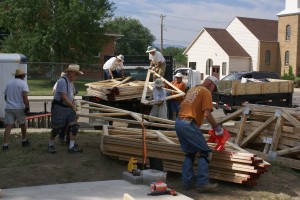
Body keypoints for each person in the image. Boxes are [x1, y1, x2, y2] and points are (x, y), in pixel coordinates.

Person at [175, 76, 224, 192]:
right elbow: (207, 114)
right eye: (214, 89)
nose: (213, 91)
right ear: (212, 85)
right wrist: (216, 127)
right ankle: (202, 184)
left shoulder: (193, 89)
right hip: (188, 124)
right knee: (205, 153)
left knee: (190, 153)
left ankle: (187, 183)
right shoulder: (206, 91)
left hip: (179, 122)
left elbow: (184, 106)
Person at [48, 64, 83, 153]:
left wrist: (73, 104)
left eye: (77, 74)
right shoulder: (62, 81)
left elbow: (71, 96)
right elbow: (63, 97)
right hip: (59, 108)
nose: (77, 76)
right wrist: (73, 106)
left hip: (69, 107)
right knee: (56, 129)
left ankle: (71, 147)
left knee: (74, 127)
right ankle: (50, 145)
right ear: (70, 73)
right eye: (76, 74)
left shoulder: (71, 82)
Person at [2, 68, 30, 151]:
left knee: (8, 126)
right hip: (19, 107)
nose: (24, 76)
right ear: (21, 76)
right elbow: (24, 96)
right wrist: (27, 106)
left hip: (9, 107)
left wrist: (9, 102)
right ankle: (24, 140)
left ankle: (5, 145)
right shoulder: (23, 83)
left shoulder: (9, 83)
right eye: (24, 75)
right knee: (22, 124)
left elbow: (6, 96)